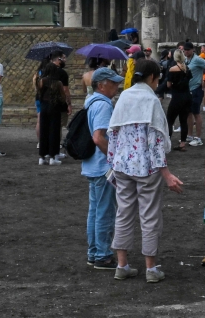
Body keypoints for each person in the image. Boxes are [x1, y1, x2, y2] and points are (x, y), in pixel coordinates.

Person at [107, 59, 184, 283]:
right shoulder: (151, 101)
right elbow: (156, 140)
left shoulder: (123, 97)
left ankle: (122, 265)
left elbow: (113, 132)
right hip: (146, 166)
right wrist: (166, 173)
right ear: (152, 78)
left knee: (123, 213)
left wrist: (112, 162)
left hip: (122, 165)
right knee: (149, 216)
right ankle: (151, 269)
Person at [82, 67, 122, 269]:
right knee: (105, 212)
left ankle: (94, 252)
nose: (116, 85)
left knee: (95, 210)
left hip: (92, 164)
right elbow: (98, 138)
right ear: (101, 85)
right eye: (112, 82)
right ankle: (103, 254)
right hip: (103, 166)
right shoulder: (104, 106)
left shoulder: (90, 102)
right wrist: (114, 159)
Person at [37, 53, 70, 166]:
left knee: (44, 131)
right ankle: (53, 157)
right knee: (54, 131)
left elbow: (39, 92)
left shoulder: (42, 81)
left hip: (44, 107)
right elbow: (63, 96)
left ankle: (42, 157)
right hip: (54, 107)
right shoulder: (58, 83)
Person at [165, 50, 192, 152]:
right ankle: (182, 144)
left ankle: (167, 142)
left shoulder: (172, 69)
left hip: (177, 97)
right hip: (187, 97)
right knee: (183, 121)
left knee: (170, 120)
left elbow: (168, 85)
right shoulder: (187, 69)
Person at [183, 43, 205, 146]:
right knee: (188, 113)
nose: (186, 51)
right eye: (185, 50)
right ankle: (189, 135)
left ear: (193, 50)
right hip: (188, 89)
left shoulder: (197, 59)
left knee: (196, 113)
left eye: (188, 50)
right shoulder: (186, 60)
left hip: (196, 89)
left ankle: (198, 138)